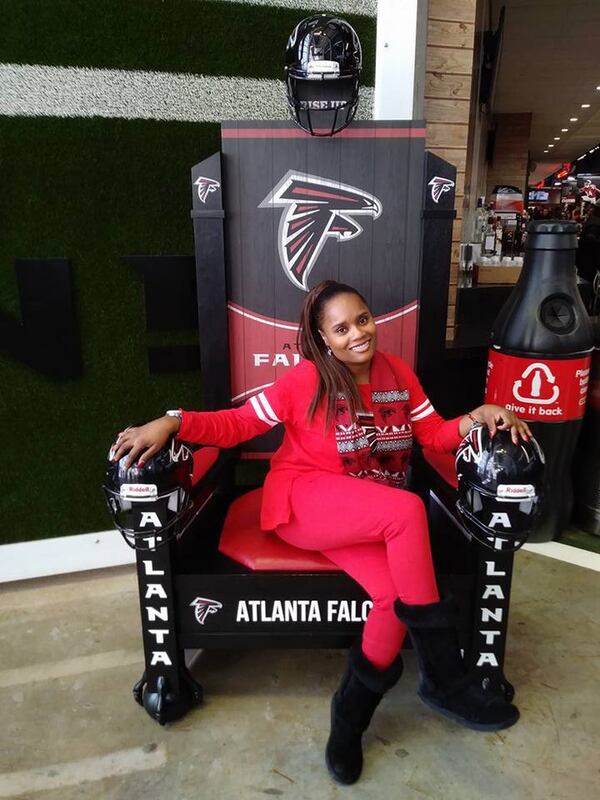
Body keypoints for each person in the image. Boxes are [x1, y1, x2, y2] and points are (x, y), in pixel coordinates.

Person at [111, 280, 532, 785]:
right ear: (322, 337)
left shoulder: (398, 375)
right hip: (303, 501)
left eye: (363, 319)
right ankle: (444, 677)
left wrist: (476, 416)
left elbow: (433, 436)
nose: (357, 333)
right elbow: (238, 424)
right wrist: (173, 421)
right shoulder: (306, 380)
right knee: (407, 510)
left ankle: (348, 719)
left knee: (390, 595)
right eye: (341, 328)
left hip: (363, 513)